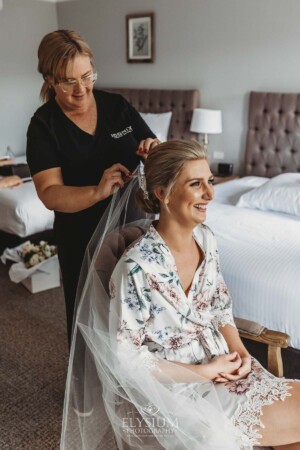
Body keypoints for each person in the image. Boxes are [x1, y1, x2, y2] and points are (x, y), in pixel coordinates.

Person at [61, 140, 300, 450]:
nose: (211, 194)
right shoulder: (136, 269)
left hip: (226, 368)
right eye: (196, 184)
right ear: (163, 193)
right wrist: (204, 372)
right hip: (177, 390)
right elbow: (125, 361)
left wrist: (242, 353)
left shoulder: (207, 239)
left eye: (210, 182)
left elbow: (219, 305)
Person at [26, 29, 159, 348]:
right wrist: (98, 191)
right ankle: (92, 392)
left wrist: (153, 149)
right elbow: (50, 193)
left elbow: (154, 150)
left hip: (133, 229)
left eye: (87, 76)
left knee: (139, 310)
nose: (81, 88)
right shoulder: (44, 126)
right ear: (49, 79)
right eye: (68, 81)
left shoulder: (117, 107)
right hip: (81, 238)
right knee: (90, 315)